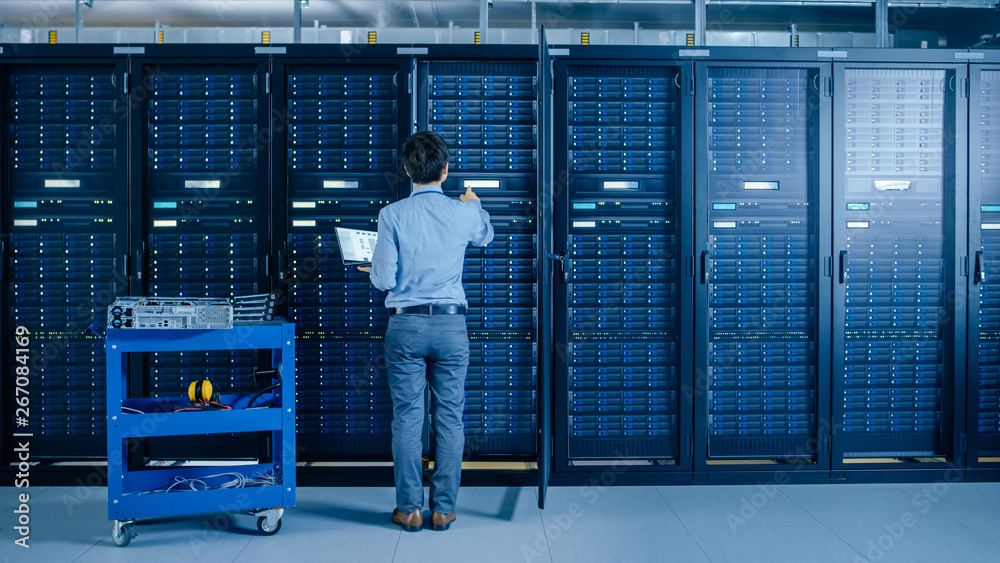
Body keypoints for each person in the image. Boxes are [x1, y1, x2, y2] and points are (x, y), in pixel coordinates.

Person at [359, 131, 494, 532]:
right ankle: (444, 509)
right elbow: (486, 236)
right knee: (450, 418)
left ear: (407, 171)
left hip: (406, 325)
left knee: (407, 418)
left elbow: (383, 280)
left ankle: (409, 509)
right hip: (452, 325)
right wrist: (477, 206)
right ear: (446, 171)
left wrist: (378, 271)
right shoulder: (463, 212)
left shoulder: (392, 214)